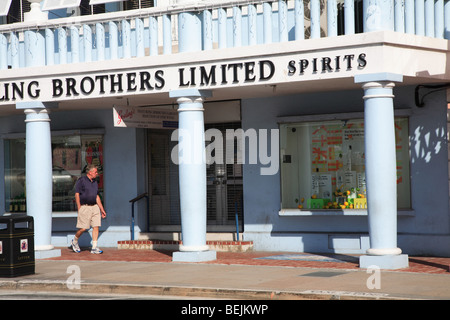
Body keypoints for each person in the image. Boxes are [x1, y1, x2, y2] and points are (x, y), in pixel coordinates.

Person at [71, 164, 106, 254]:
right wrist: (79, 207)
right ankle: (74, 241)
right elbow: (77, 194)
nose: (97, 173)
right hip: (85, 207)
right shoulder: (81, 180)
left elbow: (97, 196)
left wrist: (102, 209)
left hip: (94, 207)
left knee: (96, 226)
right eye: (95, 172)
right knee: (83, 228)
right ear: (90, 172)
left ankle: (94, 247)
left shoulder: (95, 182)